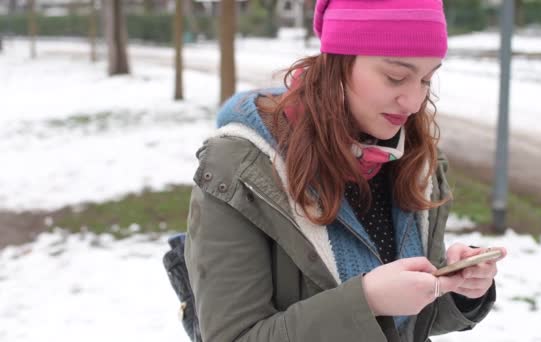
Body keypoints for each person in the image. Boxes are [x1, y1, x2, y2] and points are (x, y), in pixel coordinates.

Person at [184, 0, 507, 341]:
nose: (414, 102)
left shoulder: (415, 161)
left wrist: (457, 290)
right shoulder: (240, 170)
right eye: (396, 77)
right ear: (338, 62)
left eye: (427, 79)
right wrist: (365, 301)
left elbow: (409, 323)